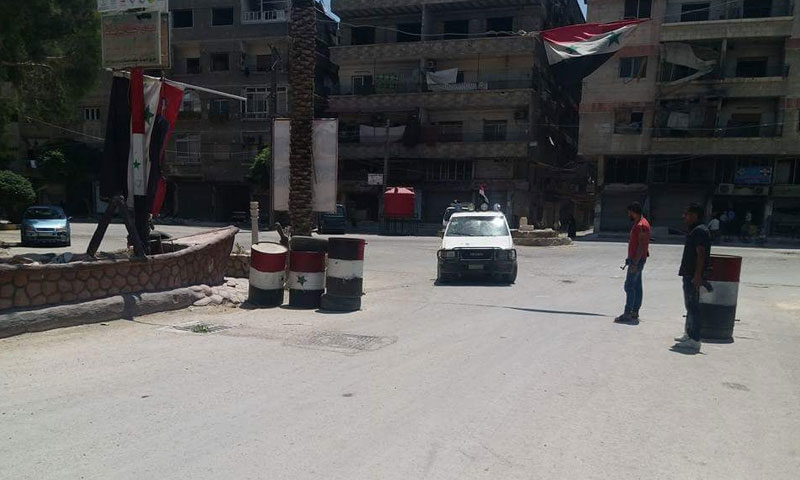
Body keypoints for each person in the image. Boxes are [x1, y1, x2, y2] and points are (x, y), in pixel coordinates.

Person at [674, 203, 711, 352]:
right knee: (689, 306)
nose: (685, 217)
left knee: (693, 306)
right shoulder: (695, 230)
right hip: (689, 273)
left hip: (692, 275)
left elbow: (701, 254)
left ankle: (694, 339)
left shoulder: (700, 231)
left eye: (687, 214)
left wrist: (697, 275)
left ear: (695, 215)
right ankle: (688, 334)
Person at [615, 202, 650, 324]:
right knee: (636, 286)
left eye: (629, 212)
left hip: (637, 260)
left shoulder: (641, 225)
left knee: (629, 286)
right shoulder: (639, 223)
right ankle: (634, 312)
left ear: (634, 212)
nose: (628, 214)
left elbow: (641, 245)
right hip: (636, 259)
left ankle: (628, 313)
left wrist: (634, 263)